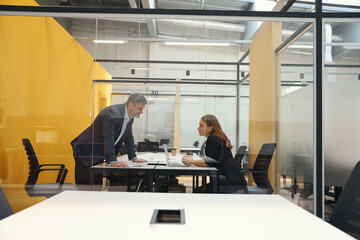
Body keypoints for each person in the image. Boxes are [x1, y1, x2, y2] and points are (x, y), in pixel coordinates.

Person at [70, 93, 147, 185]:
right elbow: (108, 136)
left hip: (98, 152)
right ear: (130, 105)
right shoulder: (112, 113)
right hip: (86, 150)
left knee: (96, 185)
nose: (141, 112)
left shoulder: (130, 117)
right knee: (85, 186)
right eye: (140, 109)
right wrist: (113, 160)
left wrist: (133, 157)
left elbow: (128, 136)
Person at [181, 114, 244, 192]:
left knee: (198, 191)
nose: (198, 128)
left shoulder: (213, 138)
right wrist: (193, 160)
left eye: (201, 125)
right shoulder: (215, 138)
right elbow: (212, 160)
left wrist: (190, 161)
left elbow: (209, 163)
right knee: (198, 190)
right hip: (231, 180)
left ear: (210, 128)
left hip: (228, 183)